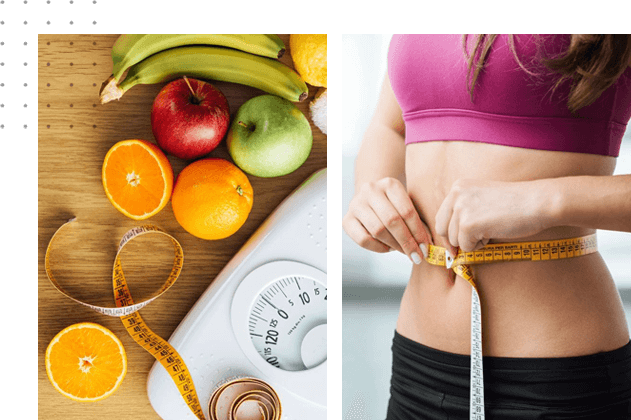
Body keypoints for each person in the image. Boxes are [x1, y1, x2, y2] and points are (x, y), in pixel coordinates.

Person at [343, 34, 631, 419]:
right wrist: (371, 192)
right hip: (417, 367)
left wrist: (540, 201)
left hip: (551, 380)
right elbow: (390, 126)